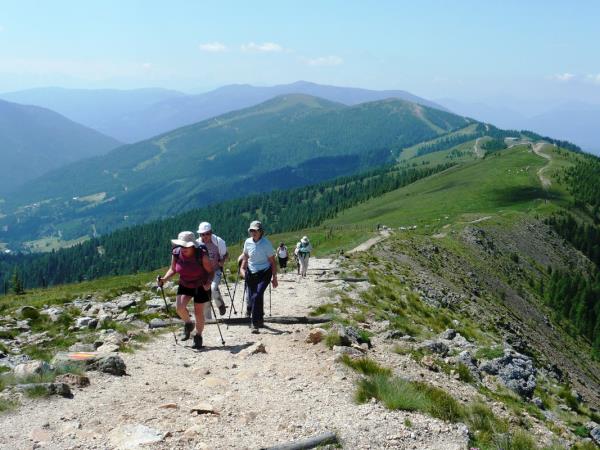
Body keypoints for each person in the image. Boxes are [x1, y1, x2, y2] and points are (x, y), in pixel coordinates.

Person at [158, 231, 213, 349]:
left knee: (198, 312)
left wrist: (208, 283)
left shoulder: (201, 255)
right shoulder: (176, 253)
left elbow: (210, 271)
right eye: (181, 245)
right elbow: (173, 269)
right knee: (179, 308)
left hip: (201, 285)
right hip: (185, 283)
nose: (182, 248)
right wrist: (164, 279)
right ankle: (188, 324)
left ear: (192, 245)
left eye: (185, 246)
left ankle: (198, 336)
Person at [240, 221, 278, 333]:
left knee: (256, 296)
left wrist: (274, 277)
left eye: (255, 230)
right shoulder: (247, 242)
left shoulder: (266, 244)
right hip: (251, 272)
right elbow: (246, 255)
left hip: (265, 273)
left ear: (261, 231)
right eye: (251, 230)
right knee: (255, 297)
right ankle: (260, 319)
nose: (253, 232)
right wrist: (243, 267)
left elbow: (272, 262)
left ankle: (254, 323)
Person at [196, 222, 228, 319]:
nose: (205, 236)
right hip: (203, 273)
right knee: (205, 293)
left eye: (207, 233)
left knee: (213, 288)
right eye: (202, 234)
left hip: (216, 270)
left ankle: (220, 305)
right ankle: (208, 318)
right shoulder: (197, 244)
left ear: (211, 232)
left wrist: (222, 261)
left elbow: (226, 254)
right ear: (199, 234)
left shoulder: (219, 242)